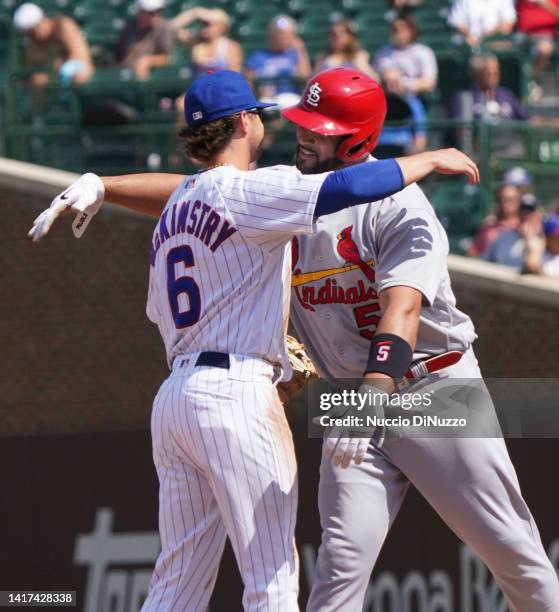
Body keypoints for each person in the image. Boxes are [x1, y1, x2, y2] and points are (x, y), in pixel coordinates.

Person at [28, 69, 479, 611]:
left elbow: (179, 223)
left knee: (176, 584)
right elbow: (346, 185)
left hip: (174, 399)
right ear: (244, 121)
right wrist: (426, 161)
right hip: (235, 391)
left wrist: (104, 183)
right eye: (259, 115)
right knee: (273, 579)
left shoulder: (175, 212)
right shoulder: (250, 191)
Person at [13, 2, 94, 86]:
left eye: (33, 31)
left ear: (41, 21)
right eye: (29, 34)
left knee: (78, 76)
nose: (34, 36)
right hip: (54, 79)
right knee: (37, 80)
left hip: (77, 75)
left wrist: (59, 67)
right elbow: (30, 67)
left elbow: (82, 59)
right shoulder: (32, 42)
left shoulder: (63, 26)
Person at [245, 15, 311, 108]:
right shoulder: (258, 56)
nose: (282, 38)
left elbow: (305, 77)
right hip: (267, 99)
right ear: (270, 36)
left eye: (287, 34)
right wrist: (258, 90)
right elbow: (248, 82)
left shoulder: (295, 55)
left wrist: (300, 50)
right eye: (279, 34)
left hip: (291, 97)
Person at [450, 53, 529, 122]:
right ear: (476, 74)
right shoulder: (464, 97)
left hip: (508, 138)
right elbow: (462, 132)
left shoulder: (506, 95)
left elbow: (525, 120)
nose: (493, 76)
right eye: (488, 73)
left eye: (495, 72)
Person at [374, 15, 438, 95]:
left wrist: (403, 83)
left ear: (412, 30)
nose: (398, 33)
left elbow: (430, 82)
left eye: (402, 29)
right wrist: (384, 77)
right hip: (387, 96)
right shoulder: (383, 51)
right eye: (394, 29)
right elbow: (374, 77)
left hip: (414, 98)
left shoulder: (423, 52)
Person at [113, 0, 173, 81]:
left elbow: (167, 58)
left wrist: (148, 61)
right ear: (141, 12)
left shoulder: (162, 28)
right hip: (124, 71)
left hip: (149, 75)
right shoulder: (128, 28)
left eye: (158, 11)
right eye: (150, 12)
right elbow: (117, 56)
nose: (155, 15)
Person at [375, 64, 427, 156]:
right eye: (385, 82)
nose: (389, 86)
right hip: (377, 151)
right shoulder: (375, 103)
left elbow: (420, 139)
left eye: (394, 82)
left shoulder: (413, 104)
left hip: (403, 151)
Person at [171, 7, 242, 73]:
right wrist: (195, 13)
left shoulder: (231, 47)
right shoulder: (194, 43)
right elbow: (170, 29)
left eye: (209, 24)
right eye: (204, 24)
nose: (205, 27)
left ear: (222, 27)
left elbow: (235, 76)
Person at [482, 193, 544, 270]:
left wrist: (529, 240)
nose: (526, 215)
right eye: (523, 210)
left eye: (530, 211)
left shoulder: (547, 240)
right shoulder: (504, 237)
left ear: (539, 214)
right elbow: (484, 263)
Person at [467, 182, 522, 257]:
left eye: (509, 199)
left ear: (518, 201)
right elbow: (472, 253)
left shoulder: (524, 227)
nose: (504, 203)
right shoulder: (489, 228)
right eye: (501, 199)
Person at [517, 0, 559, 79]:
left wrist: (545, 4)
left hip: (544, 34)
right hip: (521, 34)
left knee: (545, 49)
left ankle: (528, 80)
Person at [447, 0, 516, 47]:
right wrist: (472, 37)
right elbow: (456, 22)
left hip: (495, 40)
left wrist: (485, 39)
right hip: (469, 42)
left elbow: (508, 23)